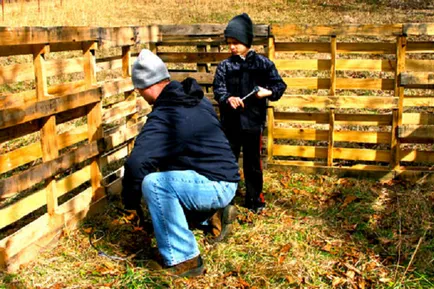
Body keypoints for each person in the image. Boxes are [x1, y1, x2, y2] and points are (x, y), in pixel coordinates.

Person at [121, 49, 240, 277]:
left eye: (139, 91)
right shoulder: (194, 98)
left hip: (216, 184)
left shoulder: (166, 114)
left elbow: (136, 164)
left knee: (155, 184)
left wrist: (131, 203)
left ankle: (184, 258)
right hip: (225, 177)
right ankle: (212, 215)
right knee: (168, 172)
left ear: (146, 86)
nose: (140, 96)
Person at [213, 13, 287, 214]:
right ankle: (226, 198)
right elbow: (218, 89)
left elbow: (279, 86)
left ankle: (255, 199)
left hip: (253, 123)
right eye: (229, 43)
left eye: (236, 42)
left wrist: (267, 92)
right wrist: (228, 98)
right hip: (230, 124)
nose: (231, 47)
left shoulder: (263, 64)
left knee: (253, 162)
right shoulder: (225, 66)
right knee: (228, 160)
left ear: (247, 41)